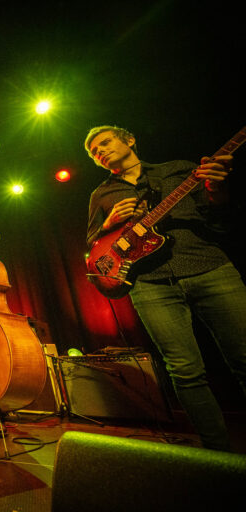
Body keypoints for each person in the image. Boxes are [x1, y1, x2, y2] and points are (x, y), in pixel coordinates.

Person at [85, 125, 246, 451]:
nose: (100, 151)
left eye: (105, 142)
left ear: (129, 139)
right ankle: (219, 456)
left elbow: (221, 220)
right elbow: (92, 246)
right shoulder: (101, 195)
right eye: (94, 152)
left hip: (208, 266)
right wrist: (107, 224)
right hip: (149, 284)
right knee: (185, 372)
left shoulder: (180, 170)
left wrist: (218, 190)